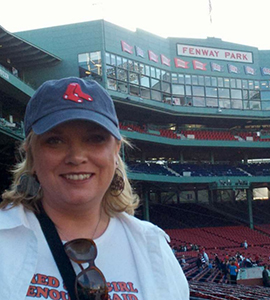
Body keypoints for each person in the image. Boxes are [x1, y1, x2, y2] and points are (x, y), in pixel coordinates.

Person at [0, 77, 189, 300]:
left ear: (116, 150)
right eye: (55, 141)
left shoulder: (151, 245)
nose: (76, 157)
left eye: (95, 139)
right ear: (30, 152)